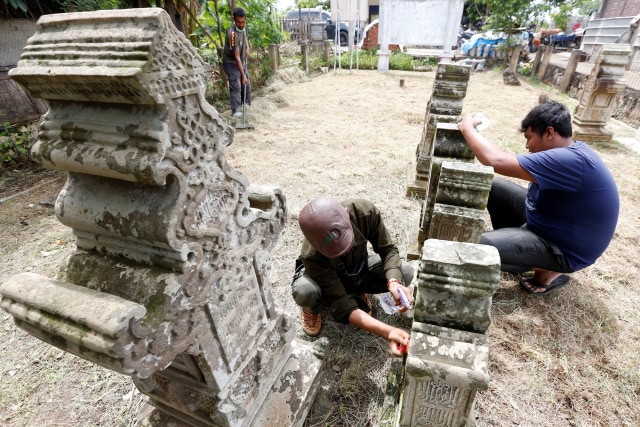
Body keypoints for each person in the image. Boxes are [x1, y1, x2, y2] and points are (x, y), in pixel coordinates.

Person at [458, 99, 619, 296]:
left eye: (529, 138)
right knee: (493, 185)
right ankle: (519, 249)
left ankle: (548, 269)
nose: (527, 146)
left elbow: (495, 160)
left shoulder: (571, 160)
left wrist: (467, 127)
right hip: (548, 222)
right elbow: (499, 158)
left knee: (474, 248)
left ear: (549, 133)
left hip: (562, 249)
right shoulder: (570, 153)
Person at [291, 197, 414, 356]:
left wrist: (394, 282)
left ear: (347, 215)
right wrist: (388, 332)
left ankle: (356, 289)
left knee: (404, 271)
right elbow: (341, 303)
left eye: (346, 242)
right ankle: (312, 309)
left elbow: (388, 250)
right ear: (315, 244)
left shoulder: (365, 212)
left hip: (358, 266)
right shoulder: (311, 255)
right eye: (335, 251)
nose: (344, 250)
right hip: (323, 278)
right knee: (305, 292)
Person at [222, 7, 251, 118]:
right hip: (230, 63)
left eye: (243, 22)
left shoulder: (243, 28)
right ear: (234, 19)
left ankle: (247, 108)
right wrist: (242, 75)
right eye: (238, 22)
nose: (241, 24)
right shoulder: (232, 35)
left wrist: (247, 47)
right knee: (236, 85)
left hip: (240, 61)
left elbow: (245, 37)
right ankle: (236, 112)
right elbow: (237, 57)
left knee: (247, 85)